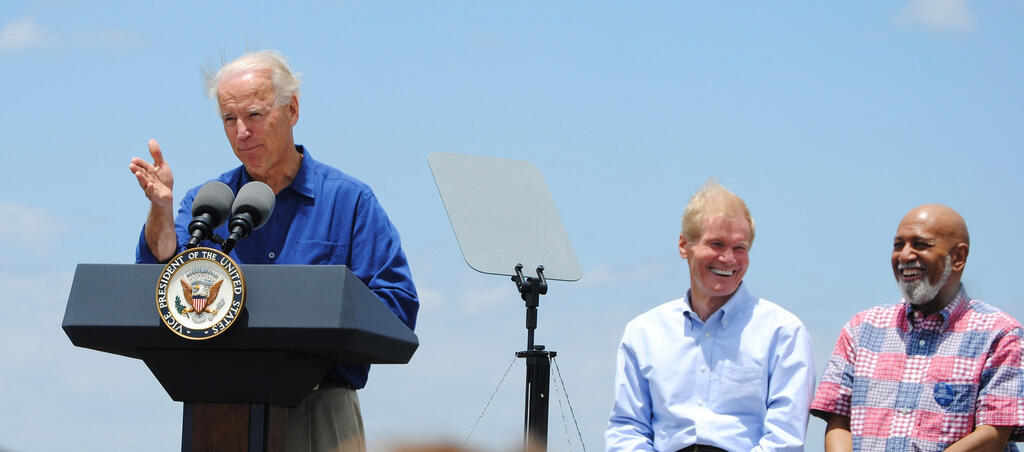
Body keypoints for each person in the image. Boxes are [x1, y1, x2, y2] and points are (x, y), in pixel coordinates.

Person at [128, 50, 418, 452]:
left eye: (254, 115)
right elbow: (161, 273)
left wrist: (315, 319)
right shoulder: (207, 203)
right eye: (230, 119)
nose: (241, 131)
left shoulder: (349, 201)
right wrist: (160, 209)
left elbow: (397, 308)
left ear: (292, 110)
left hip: (320, 408)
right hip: (217, 413)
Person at [605, 181, 815, 452]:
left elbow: (784, 439)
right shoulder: (643, 333)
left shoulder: (784, 332)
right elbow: (627, 428)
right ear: (684, 245)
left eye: (740, 248)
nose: (728, 258)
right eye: (717, 244)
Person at [811, 204, 1024, 451]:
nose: (905, 255)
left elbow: (993, 432)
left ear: (958, 257)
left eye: (920, 245)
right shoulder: (861, 330)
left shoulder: (999, 334)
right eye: (898, 245)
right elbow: (839, 421)